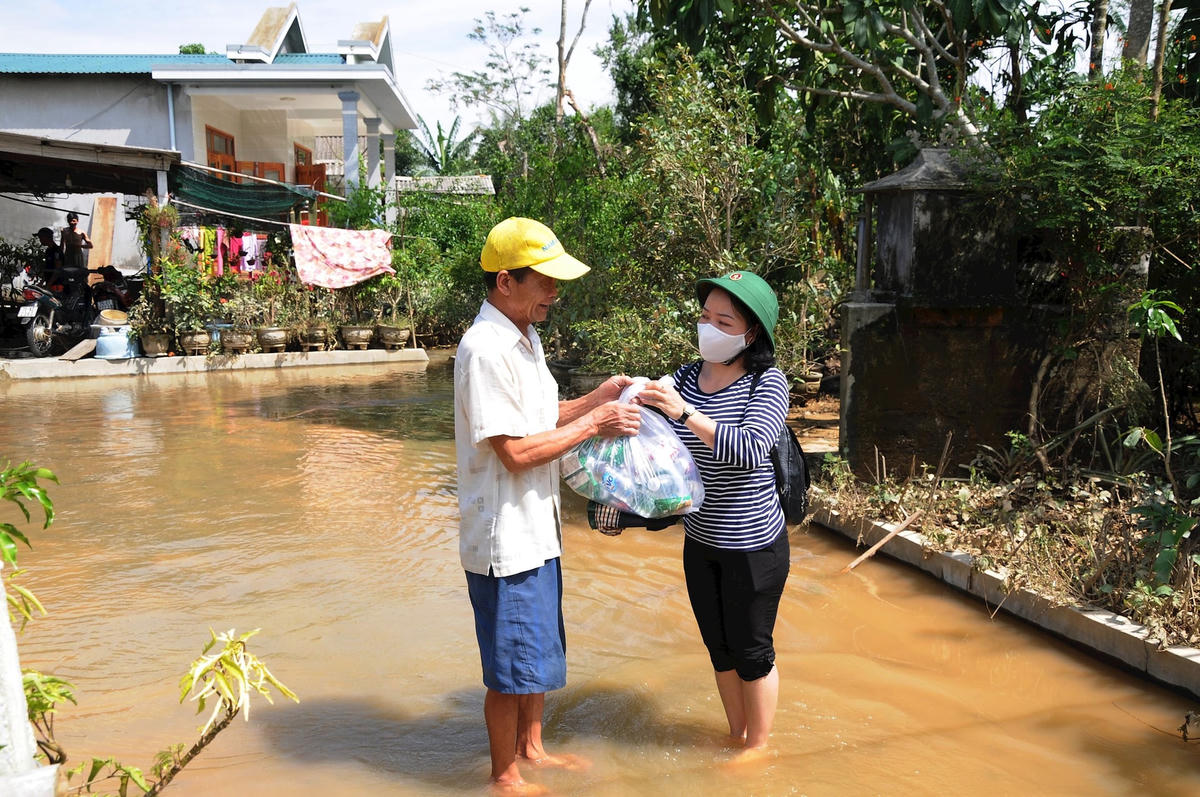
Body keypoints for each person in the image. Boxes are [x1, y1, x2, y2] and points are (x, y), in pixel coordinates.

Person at [454, 216, 642, 793]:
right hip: (504, 537)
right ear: (506, 281)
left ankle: (532, 749)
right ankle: (504, 775)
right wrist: (595, 423)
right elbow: (513, 451)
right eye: (546, 281)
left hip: (538, 526)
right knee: (509, 669)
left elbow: (541, 419)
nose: (555, 293)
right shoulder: (484, 349)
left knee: (534, 649)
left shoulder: (525, 337)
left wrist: (595, 399)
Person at [635, 271, 790, 763]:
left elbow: (748, 449)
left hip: (753, 547)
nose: (710, 327)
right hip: (701, 539)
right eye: (705, 317)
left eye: (724, 320)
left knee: (751, 653)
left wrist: (684, 415)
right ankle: (737, 734)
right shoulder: (684, 376)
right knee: (719, 649)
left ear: (751, 334)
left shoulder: (768, 383)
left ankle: (759, 749)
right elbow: (656, 452)